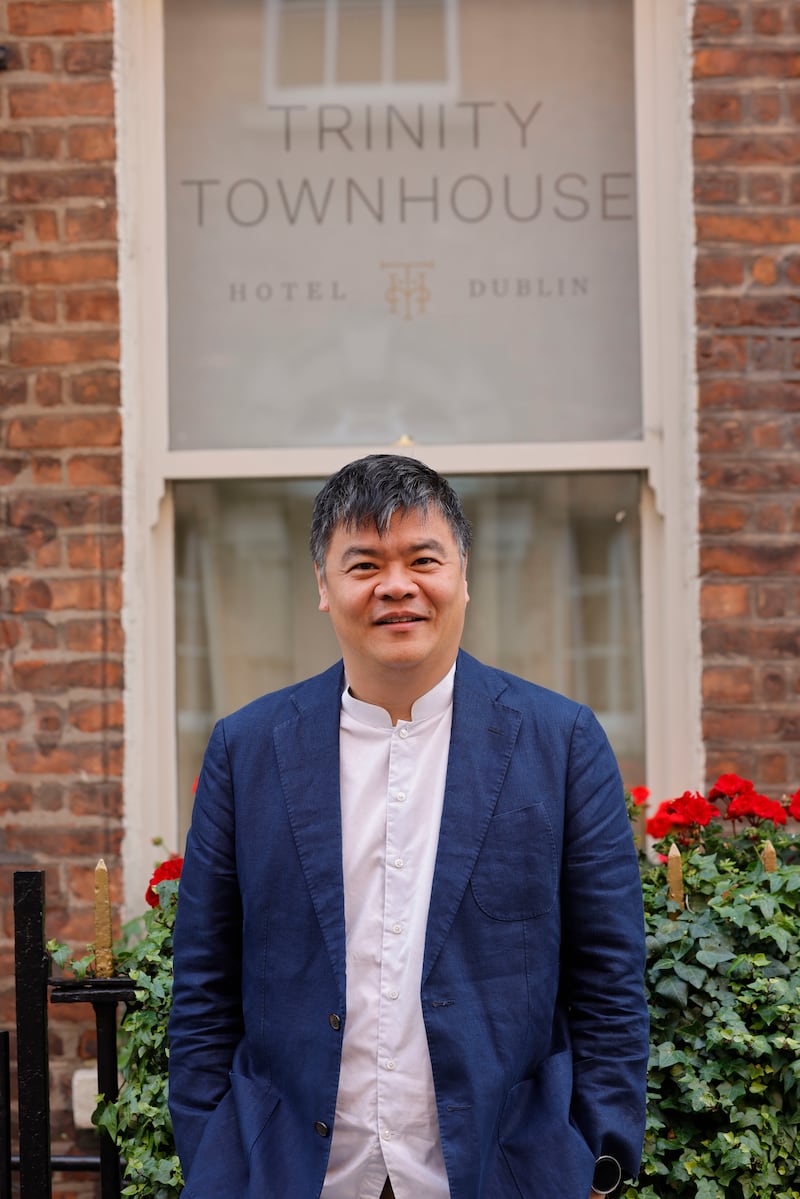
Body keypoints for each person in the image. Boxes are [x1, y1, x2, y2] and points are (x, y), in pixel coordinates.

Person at [168, 453, 649, 1199]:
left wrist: (601, 1158)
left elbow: (609, 976)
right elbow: (203, 982)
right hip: (289, 1173)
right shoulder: (247, 748)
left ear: (464, 575)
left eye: (423, 558)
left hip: (503, 1171)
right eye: (364, 564)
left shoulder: (560, 742)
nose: (397, 585)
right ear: (323, 588)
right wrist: (212, 1154)